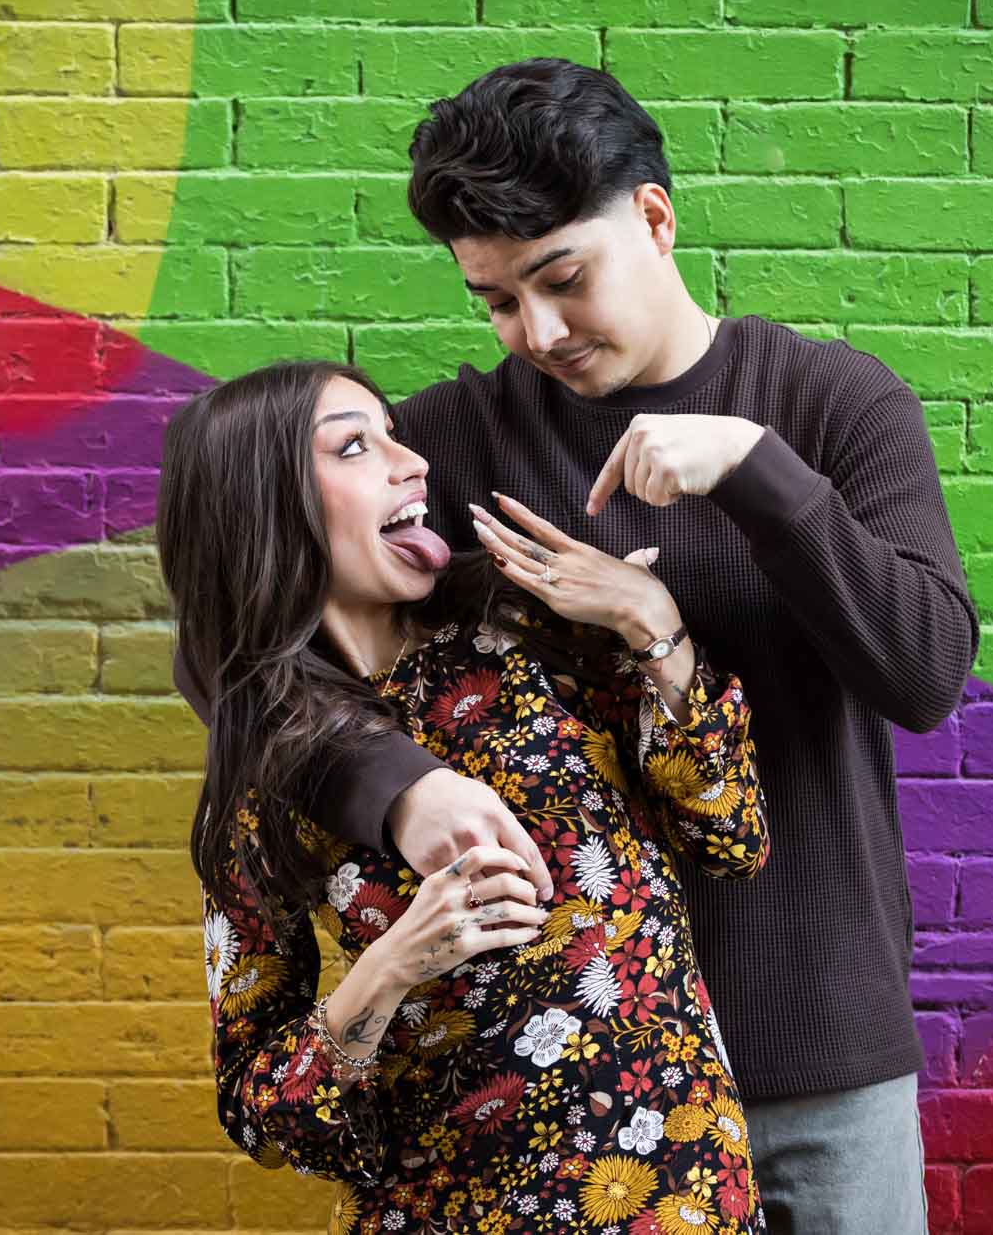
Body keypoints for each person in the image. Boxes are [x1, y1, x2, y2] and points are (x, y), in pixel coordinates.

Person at [177, 59, 980, 1232]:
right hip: (546, 1102)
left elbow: (923, 673)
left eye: (561, 280)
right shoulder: (457, 440)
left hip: (811, 1044)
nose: (536, 332)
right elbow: (254, 635)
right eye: (497, 301)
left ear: (653, 219)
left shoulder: (829, 407)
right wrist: (399, 788)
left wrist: (757, 476)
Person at [158, 359, 772, 1232]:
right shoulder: (268, 773)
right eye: (356, 446)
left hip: (679, 1196)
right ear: (265, 505)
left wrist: (652, 624)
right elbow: (259, 1106)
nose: (411, 465)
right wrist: (387, 968)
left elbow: (733, 835)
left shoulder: (526, 632)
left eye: (395, 436)